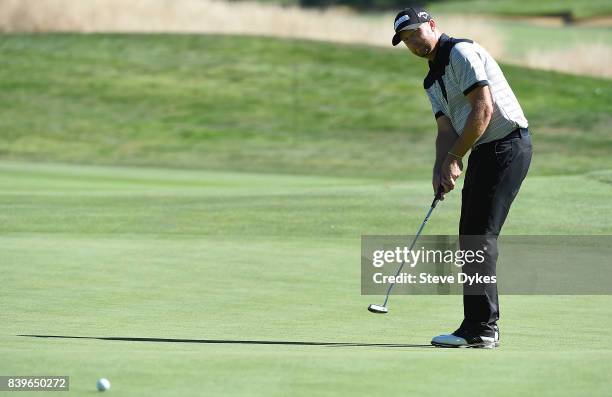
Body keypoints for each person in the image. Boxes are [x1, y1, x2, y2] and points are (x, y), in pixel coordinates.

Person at [391, 6, 532, 348]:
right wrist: (441, 165)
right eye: (405, 39)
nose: (412, 42)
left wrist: (456, 157)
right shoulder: (430, 79)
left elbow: (483, 110)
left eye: (415, 33)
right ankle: (476, 325)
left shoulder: (461, 53)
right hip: (486, 150)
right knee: (471, 237)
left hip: (507, 145)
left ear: (432, 26)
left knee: (479, 237)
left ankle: (483, 328)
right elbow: (445, 129)